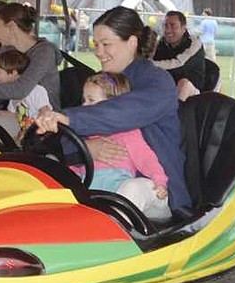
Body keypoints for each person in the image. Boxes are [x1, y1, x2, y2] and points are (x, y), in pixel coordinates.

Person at [34, 6, 191, 220]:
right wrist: (86, 147)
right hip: (105, 183)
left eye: (106, 44)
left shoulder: (157, 82)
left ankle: (105, 240)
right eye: (96, 45)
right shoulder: (102, 82)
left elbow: (123, 112)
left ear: (132, 42)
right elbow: (74, 134)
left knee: (132, 191)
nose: (98, 52)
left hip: (156, 188)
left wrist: (70, 118)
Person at [69, 72, 169, 216]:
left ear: (113, 105)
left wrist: (159, 180)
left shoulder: (128, 133)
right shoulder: (85, 138)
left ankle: (117, 226)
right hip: (95, 199)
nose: (84, 105)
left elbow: (146, 158)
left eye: (91, 100)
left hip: (125, 195)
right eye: (84, 100)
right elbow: (75, 168)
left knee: (134, 188)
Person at [0, 2, 62, 112]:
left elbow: (20, 89)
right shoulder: (6, 49)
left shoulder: (44, 52)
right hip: (16, 113)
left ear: (11, 26)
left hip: (45, 120)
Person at [0, 49, 50, 136]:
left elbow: (45, 113)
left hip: (39, 135)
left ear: (13, 73)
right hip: (23, 131)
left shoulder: (36, 91)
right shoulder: (12, 93)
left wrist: (29, 132)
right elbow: (13, 114)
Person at [152, 10, 206, 97]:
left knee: (183, 84)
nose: (168, 30)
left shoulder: (195, 43)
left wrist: (148, 64)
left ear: (183, 28)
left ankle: (176, 110)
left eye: (173, 26)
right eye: (166, 26)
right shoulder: (161, 43)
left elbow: (179, 64)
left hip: (193, 92)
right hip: (168, 87)